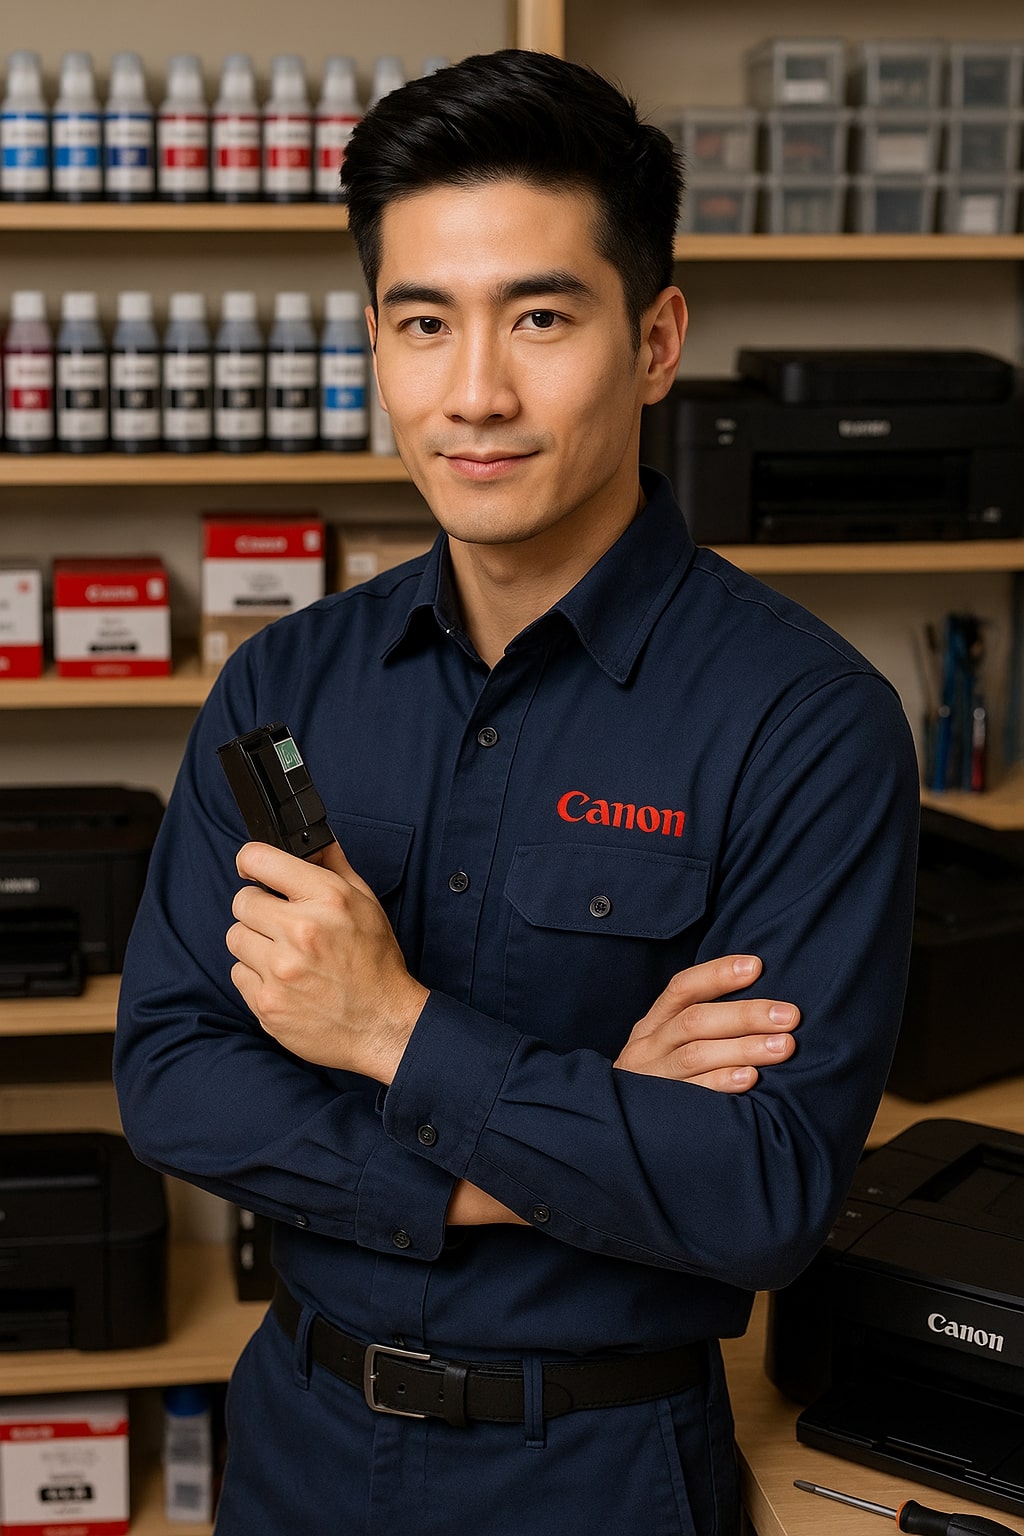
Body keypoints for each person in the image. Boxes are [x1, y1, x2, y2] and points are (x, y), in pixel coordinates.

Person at [114, 48, 920, 1536]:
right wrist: (587, 1127)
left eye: (540, 317)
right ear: (377, 344)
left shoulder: (807, 725)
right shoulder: (284, 686)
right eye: (425, 323)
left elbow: (760, 1196)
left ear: (656, 340)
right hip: (296, 1445)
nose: (475, 394)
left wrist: (386, 1029)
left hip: (605, 1471)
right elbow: (174, 1078)